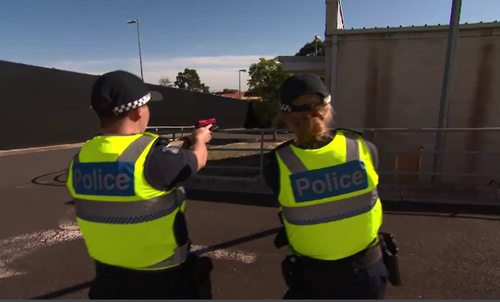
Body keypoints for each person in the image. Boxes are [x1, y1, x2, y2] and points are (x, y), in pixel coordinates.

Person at [65, 70, 214, 299]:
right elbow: (198, 159)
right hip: (160, 278)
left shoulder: (82, 158)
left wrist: (182, 142)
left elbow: (127, 157)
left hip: (108, 276)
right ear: (138, 111)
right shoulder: (154, 158)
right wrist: (200, 139)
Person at [263, 74, 389, 299]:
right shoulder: (364, 149)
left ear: (285, 116)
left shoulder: (277, 165)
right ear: (328, 107)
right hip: (367, 273)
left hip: (315, 280)